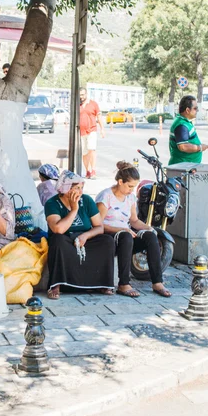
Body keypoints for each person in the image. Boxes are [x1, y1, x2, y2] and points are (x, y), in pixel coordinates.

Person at [96, 161, 171, 298]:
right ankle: (124, 283)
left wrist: (149, 228)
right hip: (108, 236)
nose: (131, 190)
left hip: (127, 236)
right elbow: (98, 224)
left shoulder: (130, 197)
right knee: (126, 236)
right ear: (120, 181)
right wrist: (121, 230)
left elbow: (134, 221)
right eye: (129, 186)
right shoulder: (105, 196)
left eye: (134, 187)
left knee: (150, 236)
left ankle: (157, 282)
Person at [45, 170, 115, 300]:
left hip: (85, 239)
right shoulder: (52, 203)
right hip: (66, 240)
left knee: (107, 241)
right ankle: (57, 284)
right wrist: (74, 209)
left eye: (82, 188)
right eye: (77, 188)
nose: (80, 192)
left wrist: (86, 236)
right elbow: (58, 229)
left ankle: (101, 283)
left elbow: (99, 227)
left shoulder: (86, 200)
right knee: (57, 240)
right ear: (65, 189)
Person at [169, 95, 208, 165]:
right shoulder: (181, 125)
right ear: (187, 110)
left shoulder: (184, 122)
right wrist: (199, 147)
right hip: (182, 168)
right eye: (195, 108)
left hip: (186, 166)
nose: (197, 110)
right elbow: (183, 146)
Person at [79, 87, 105, 179]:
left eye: (82, 95)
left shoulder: (93, 104)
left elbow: (99, 117)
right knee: (84, 152)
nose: (81, 97)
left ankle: (93, 170)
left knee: (92, 149)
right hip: (81, 132)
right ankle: (88, 171)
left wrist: (102, 129)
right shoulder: (78, 105)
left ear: (86, 94)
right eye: (80, 95)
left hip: (92, 130)